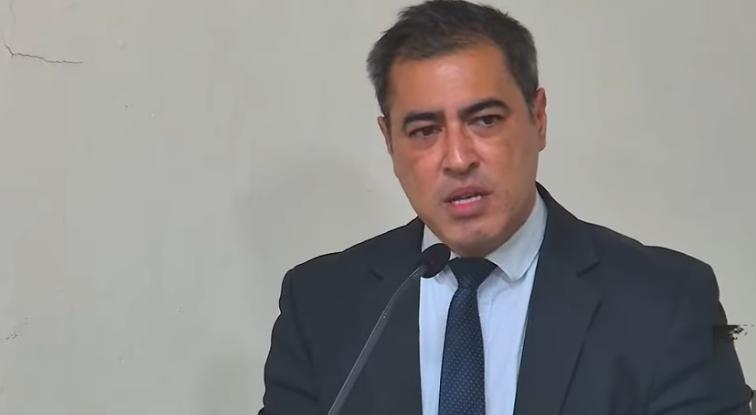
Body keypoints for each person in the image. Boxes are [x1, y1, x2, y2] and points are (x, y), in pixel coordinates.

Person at [260, 1, 752, 414]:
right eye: (425, 131)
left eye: (486, 120)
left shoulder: (664, 303)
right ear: (389, 141)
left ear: (539, 119)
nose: (458, 159)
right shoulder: (321, 304)